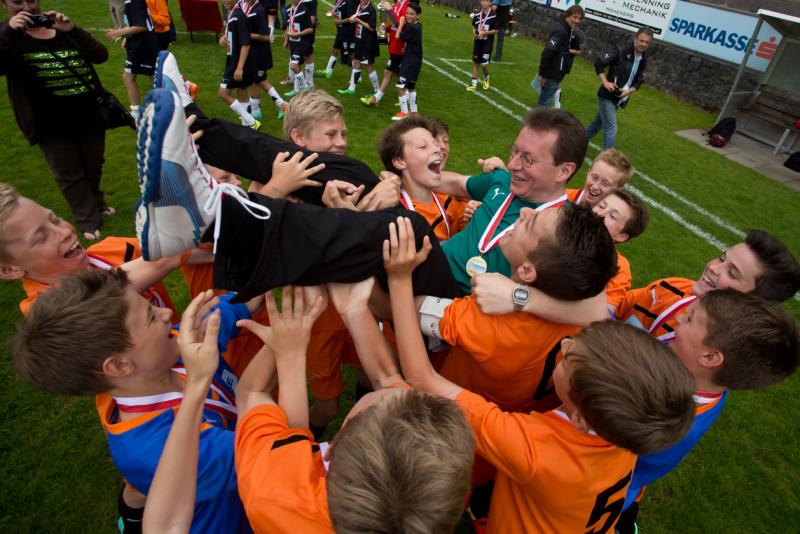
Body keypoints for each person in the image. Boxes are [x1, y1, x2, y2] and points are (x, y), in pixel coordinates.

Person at [383, 216, 696, 533]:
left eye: (569, 358)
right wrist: (521, 297)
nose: (568, 344)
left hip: (449, 441)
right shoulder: (623, 431)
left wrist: (398, 278)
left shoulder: (534, 446)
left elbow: (417, 352)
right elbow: (597, 312)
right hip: (488, 460)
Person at [12, 270, 256, 533]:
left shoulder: (173, 352)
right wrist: (280, 355)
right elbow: (270, 456)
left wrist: (268, 277)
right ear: (119, 365)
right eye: (151, 317)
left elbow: (234, 307)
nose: (167, 313)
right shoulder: (152, 448)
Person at [233, 280, 475, 533]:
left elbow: (252, 393)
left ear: (330, 450)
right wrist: (354, 309)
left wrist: (288, 350)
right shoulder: (434, 499)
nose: (399, 387)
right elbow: (387, 377)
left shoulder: (271, 495)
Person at [616, 288, 799, 533]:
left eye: (690, 318)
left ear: (710, 356)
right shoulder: (705, 381)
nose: (679, 317)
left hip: (611, 491)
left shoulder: (660, 414)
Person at [415, 203, 617, 414]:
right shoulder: (583, 314)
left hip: (443, 411)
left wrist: (399, 274)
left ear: (527, 271)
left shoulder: (489, 318)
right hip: (517, 415)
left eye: (530, 224)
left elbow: (408, 309)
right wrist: (521, 297)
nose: (524, 211)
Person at [1, 2, 112, 241]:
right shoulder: (8, 35)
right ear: (4, 4)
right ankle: (87, 218)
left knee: (94, 163)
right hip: (49, 123)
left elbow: (100, 55)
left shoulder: (59, 27)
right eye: (17, 1)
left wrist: (72, 29)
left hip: (89, 113)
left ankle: (97, 202)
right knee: (69, 172)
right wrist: (10, 31)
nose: (27, 6)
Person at [585, 27, 653, 149]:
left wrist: (628, 92)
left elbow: (638, 82)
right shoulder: (621, 51)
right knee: (611, 129)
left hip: (619, 98)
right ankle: (608, 158)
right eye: (641, 41)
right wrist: (605, 82)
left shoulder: (643, 59)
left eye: (647, 42)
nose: (643, 44)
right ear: (635, 39)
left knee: (597, 125)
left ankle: (576, 142)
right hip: (607, 96)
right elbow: (599, 62)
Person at [105, 0, 159, 123]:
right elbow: (135, 22)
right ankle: (170, 104)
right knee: (153, 77)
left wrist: (118, 33)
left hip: (142, 46)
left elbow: (141, 26)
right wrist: (127, 37)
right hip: (142, 43)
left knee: (130, 77)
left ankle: (137, 113)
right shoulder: (131, 1)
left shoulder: (133, 2)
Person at [244, 0, 288, 121]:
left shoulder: (259, 11)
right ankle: (282, 105)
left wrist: (246, 34)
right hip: (254, 52)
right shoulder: (250, 7)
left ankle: (256, 112)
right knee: (261, 80)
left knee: (255, 81)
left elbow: (266, 36)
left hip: (260, 54)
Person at [218, 0, 260, 128]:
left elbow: (246, 44)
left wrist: (239, 67)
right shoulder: (232, 12)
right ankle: (246, 125)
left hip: (236, 64)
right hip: (234, 60)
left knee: (223, 94)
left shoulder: (239, 16)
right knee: (241, 90)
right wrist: (226, 37)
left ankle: (251, 121)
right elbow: (236, 35)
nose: (225, 0)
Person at [360, 0, 408, 107]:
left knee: (389, 72)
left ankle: (377, 98)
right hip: (394, 45)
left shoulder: (406, 5)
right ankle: (407, 97)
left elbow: (400, 24)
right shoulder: (398, 4)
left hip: (400, 46)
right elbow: (395, 24)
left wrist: (389, 9)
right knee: (398, 73)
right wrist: (386, 28)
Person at [536, 5, 582, 107]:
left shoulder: (567, 30)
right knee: (543, 105)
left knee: (543, 104)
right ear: (567, 15)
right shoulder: (561, 31)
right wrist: (543, 74)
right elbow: (547, 52)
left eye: (579, 18)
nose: (577, 21)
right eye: (574, 17)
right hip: (552, 74)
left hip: (556, 73)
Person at [337, 0, 379, 97]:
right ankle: (351, 89)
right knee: (356, 62)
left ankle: (377, 91)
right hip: (359, 39)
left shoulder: (371, 9)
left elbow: (372, 27)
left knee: (367, 65)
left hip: (367, 42)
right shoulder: (360, 5)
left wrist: (358, 21)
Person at [392, 2, 421, 120]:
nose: (408, 16)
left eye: (411, 14)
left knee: (400, 86)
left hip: (409, 62)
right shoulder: (418, 26)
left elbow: (397, 36)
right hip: (416, 61)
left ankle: (404, 112)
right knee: (411, 86)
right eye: (407, 13)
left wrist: (401, 23)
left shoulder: (412, 28)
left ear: (418, 15)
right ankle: (414, 111)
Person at [282, 0, 314, 97]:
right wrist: (286, 40)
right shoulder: (288, 9)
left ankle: (305, 86)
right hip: (293, 43)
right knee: (298, 65)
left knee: (293, 66)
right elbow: (288, 26)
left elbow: (310, 29)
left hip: (302, 43)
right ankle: (296, 89)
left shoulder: (304, 10)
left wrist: (298, 34)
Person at [317, 0, 355, 79]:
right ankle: (328, 72)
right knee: (334, 50)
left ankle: (358, 76)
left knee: (351, 54)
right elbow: (339, 12)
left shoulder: (349, 2)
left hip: (347, 31)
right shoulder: (339, 1)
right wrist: (333, 13)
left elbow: (351, 18)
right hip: (341, 31)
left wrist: (340, 22)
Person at [466, 0, 496, 92]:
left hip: (487, 43)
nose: (485, 2)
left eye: (487, 1)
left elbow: (495, 30)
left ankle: (486, 77)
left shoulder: (494, 15)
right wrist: (475, 33)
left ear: (490, 3)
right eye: (483, 0)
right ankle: (473, 84)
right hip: (478, 42)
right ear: (481, 2)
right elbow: (473, 26)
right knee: (476, 63)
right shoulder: (477, 15)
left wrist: (484, 33)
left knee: (484, 64)